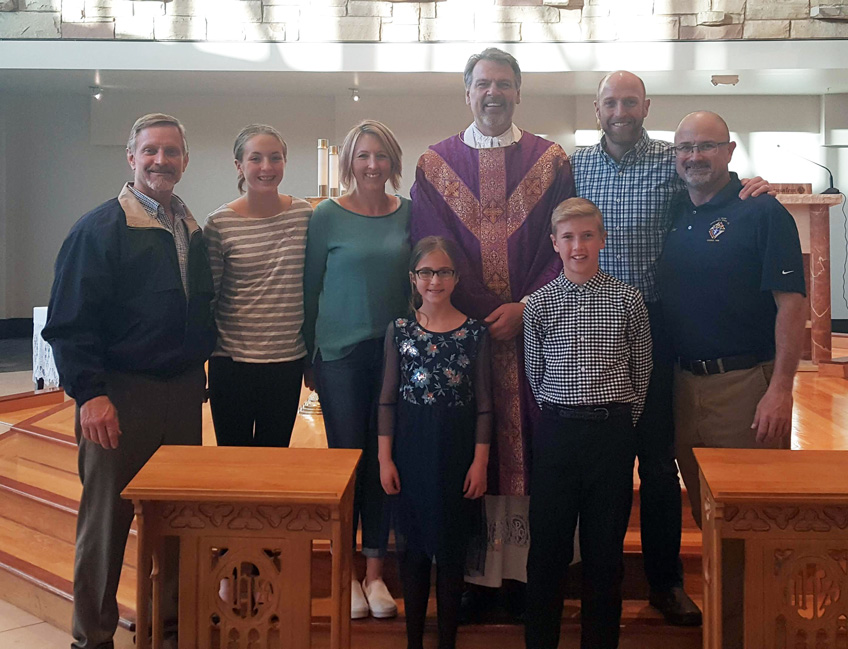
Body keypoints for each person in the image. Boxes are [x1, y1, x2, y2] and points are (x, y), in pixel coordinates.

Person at [567, 70, 771, 626]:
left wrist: (753, 184)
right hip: (593, 324)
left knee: (658, 463)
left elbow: (713, 190)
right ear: (597, 108)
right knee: (602, 460)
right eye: (611, 102)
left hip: (657, 326)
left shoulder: (670, 160)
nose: (620, 110)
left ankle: (666, 583)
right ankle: (595, 579)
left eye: (630, 101)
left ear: (645, 106)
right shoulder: (574, 166)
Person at [42, 113, 216, 649]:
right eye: (150, 151)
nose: (160, 161)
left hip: (183, 392)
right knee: (106, 523)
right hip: (120, 395)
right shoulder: (99, 229)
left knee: (177, 522)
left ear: (185, 160)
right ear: (132, 158)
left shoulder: (191, 229)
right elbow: (70, 321)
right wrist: (90, 394)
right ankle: (92, 637)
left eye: (171, 152)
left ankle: (168, 627)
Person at [410, 47, 575, 610]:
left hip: (539, 335)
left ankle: (532, 577)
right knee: (470, 453)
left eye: (504, 83)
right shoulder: (436, 165)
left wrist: (526, 307)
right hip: (465, 338)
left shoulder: (550, 160)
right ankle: (475, 579)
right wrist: (485, 313)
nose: (494, 93)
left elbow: (564, 244)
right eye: (483, 84)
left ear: (519, 92)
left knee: (535, 446)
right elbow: (433, 245)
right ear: (467, 92)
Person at [657, 111, 806, 523]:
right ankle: (720, 590)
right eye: (685, 148)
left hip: (745, 388)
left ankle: (754, 592)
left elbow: (791, 305)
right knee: (708, 516)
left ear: (729, 151)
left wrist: (780, 390)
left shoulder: (761, 212)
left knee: (753, 518)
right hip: (683, 388)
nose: (695, 156)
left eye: (706, 145)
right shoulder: (674, 211)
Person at [523, 197, 652, 649]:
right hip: (558, 434)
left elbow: (641, 370)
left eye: (587, 236)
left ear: (602, 239)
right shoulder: (538, 305)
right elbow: (535, 375)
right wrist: (562, 416)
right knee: (547, 551)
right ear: (555, 244)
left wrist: (618, 422)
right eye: (568, 238)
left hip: (610, 434)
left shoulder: (627, 299)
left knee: (604, 553)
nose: (578, 246)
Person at [303, 119, 411, 619]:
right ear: (349, 161)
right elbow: (310, 289)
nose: (372, 165)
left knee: (385, 461)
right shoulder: (326, 215)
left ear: (393, 162)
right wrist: (310, 356)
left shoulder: (408, 215)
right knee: (347, 461)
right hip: (340, 354)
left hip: (394, 353)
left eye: (381, 156)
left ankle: (374, 573)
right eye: (363, 156)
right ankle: (343, 571)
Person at [378, 236, 492, 649]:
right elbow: (387, 399)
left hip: (457, 454)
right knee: (413, 555)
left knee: (450, 554)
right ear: (413, 279)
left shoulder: (474, 333)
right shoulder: (400, 330)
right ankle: (414, 640)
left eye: (443, 272)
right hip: (411, 454)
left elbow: (484, 406)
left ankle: (447, 641)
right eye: (426, 272)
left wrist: (480, 464)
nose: (435, 280)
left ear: (456, 278)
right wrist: (384, 459)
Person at [203, 124, 311, 447]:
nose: (267, 167)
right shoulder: (219, 224)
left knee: (275, 462)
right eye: (256, 159)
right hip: (232, 365)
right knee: (233, 464)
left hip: (286, 363)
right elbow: (210, 300)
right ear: (239, 166)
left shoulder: (305, 215)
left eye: (275, 158)